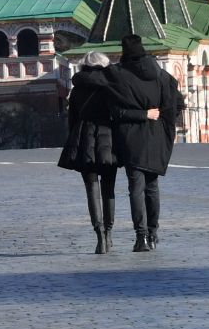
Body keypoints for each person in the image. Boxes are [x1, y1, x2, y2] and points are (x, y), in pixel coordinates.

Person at [102, 34, 184, 252]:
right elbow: (178, 103)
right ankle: (154, 233)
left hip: (131, 139)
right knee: (152, 187)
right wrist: (163, 121)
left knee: (135, 188)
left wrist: (141, 114)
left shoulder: (118, 75)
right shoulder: (162, 75)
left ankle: (142, 237)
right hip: (156, 137)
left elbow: (116, 111)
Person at [57, 50, 120, 253]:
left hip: (83, 138)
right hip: (108, 138)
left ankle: (99, 235)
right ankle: (109, 233)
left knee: (91, 189)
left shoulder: (77, 89)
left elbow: (72, 119)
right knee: (108, 187)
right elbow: (117, 114)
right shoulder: (110, 86)